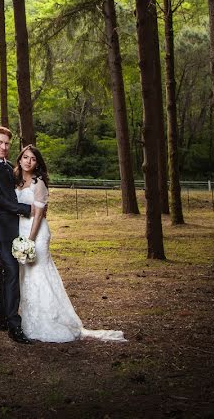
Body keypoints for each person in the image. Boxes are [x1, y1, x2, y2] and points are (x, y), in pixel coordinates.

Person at [14, 144, 126, 343]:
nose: (28, 161)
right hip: (21, 230)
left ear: (37, 162)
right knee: (25, 277)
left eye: (32, 158)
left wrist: (30, 240)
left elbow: (39, 215)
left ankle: (49, 320)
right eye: (25, 157)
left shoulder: (38, 183)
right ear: (20, 159)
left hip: (36, 233)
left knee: (38, 273)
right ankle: (28, 319)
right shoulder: (16, 181)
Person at [0, 126, 34, 344]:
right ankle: (14, 325)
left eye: (7, 143)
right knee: (11, 270)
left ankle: (3, 318)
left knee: (4, 272)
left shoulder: (11, 167)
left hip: (15, 227)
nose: (3, 147)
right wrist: (23, 209)